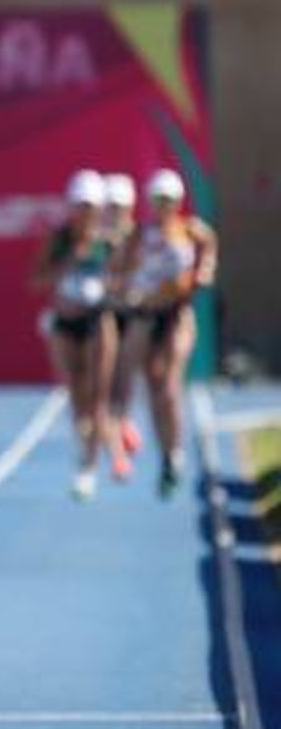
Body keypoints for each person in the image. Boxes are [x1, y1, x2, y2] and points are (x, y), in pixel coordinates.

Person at [118, 168, 217, 497]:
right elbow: (120, 268)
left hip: (177, 316)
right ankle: (160, 449)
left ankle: (175, 453)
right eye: (157, 200)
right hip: (146, 314)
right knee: (144, 379)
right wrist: (127, 288)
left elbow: (209, 252)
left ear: (178, 202)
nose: (163, 206)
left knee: (169, 384)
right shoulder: (140, 234)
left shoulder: (191, 230)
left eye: (168, 200)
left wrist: (201, 273)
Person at [33, 170, 123, 500]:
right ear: (72, 206)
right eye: (80, 206)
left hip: (98, 321)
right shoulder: (58, 240)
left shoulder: (109, 241)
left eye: (91, 206)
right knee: (76, 393)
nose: (86, 212)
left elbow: (126, 280)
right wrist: (65, 265)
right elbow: (36, 280)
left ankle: (87, 468)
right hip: (65, 324)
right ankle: (85, 444)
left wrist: (113, 284)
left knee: (98, 396)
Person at [102, 172, 142, 475]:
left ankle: (125, 420)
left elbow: (139, 275)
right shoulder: (95, 238)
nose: (115, 212)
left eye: (120, 206)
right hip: (102, 318)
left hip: (131, 316)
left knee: (124, 383)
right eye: (110, 206)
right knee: (106, 387)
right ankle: (117, 454)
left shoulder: (139, 237)